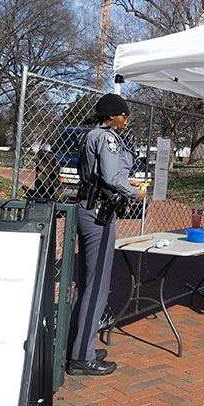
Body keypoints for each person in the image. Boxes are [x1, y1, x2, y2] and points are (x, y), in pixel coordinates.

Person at [67, 93, 145, 375]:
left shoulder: (91, 135)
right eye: (124, 115)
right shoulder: (108, 137)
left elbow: (104, 174)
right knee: (97, 286)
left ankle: (75, 345)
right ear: (112, 116)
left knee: (86, 284)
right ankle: (82, 358)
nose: (126, 120)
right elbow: (112, 178)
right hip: (100, 215)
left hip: (88, 210)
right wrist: (135, 193)